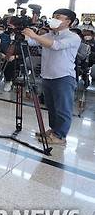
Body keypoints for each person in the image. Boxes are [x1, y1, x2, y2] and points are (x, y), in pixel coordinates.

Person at [22, 9, 81, 146]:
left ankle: (60, 136)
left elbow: (55, 46)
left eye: (58, 17)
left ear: (68, 21)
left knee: (62, 108)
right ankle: (54, 130)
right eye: (53, 16)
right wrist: (25, 33)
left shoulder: (72, 37)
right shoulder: (49, 34)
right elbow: (32, 42)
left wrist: (35, 36)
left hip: (63, 76)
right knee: (52, 106)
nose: (54, 19)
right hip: (47, 75)